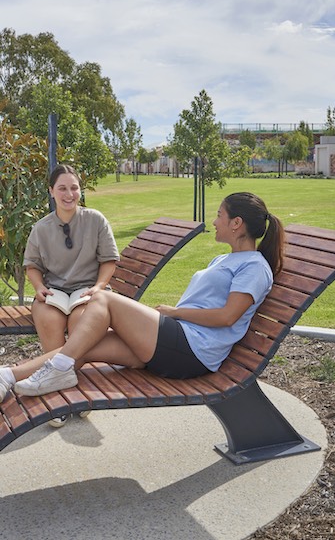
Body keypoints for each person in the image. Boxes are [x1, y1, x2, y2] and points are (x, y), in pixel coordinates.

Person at [0, 192, 284, 404]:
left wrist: (174, 313)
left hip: (193, 350)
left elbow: (227, 317)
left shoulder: (254, 267)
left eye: (220, 215)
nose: (214, 220)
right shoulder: (224, 258)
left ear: (236, 223)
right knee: (84, 346)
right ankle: (9, 376)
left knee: (105, 300)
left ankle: (58, 369)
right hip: (177, 342)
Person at [22, 164, 120, 427]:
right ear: (51, 191)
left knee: (80, 323)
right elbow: (32, 266)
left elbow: (109, 261)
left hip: (88, 289)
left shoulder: (95, 220)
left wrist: (99, 287)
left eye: (74, 187)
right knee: (51, 321)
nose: (69, 193)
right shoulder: (41, 228)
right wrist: (38, 287)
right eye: (62, 188)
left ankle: (73, 393)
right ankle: (57, 394)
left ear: (80, 190)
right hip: (54, 291)